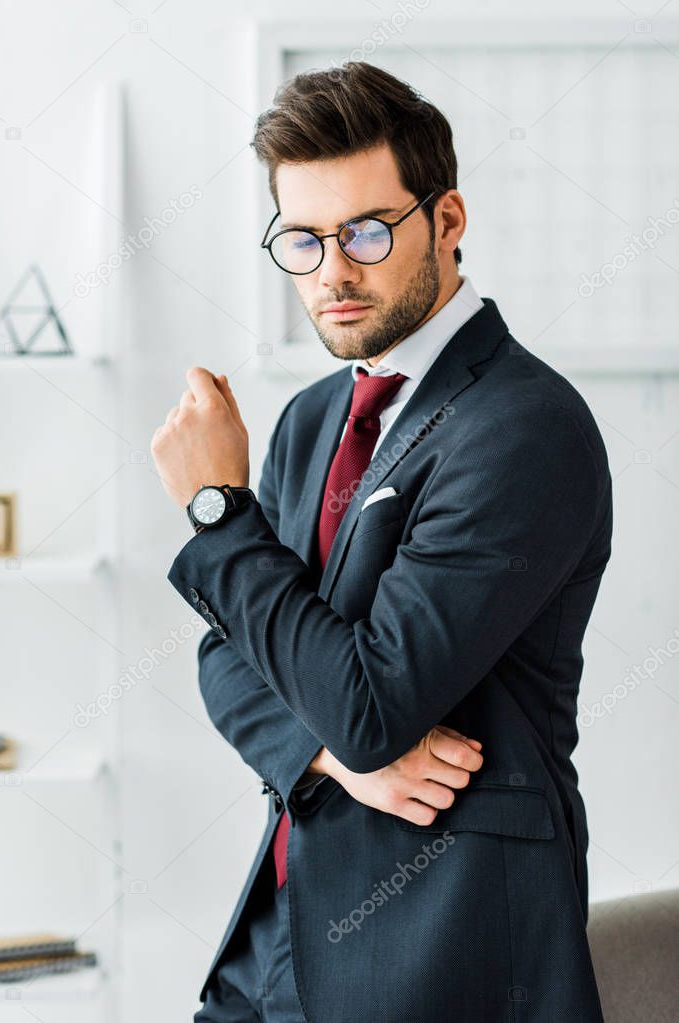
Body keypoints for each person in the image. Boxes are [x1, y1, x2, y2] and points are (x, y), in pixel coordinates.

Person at [152, 61, 611, 1022]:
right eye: (304, 240)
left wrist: (215, 510)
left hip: (442, 955)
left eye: (365, 231)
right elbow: (226, 657)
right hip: (277, 937)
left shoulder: (522, 426)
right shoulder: (315, 417)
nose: (334, 272)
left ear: (446, 222)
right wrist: (327, 759)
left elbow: (367, 704)